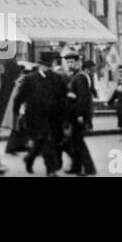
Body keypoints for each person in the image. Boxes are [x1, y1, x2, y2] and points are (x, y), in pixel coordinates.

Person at [21, 53, 66, 176]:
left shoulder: (57, 78)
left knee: (42, 142)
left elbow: (63, 97)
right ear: (39, 65)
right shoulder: (30, 79)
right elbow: (20, 97)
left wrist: (64, 115)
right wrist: (17, 113)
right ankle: (50, 169)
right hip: (35, 118)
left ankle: (29, 159)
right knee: (47, 142)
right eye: (45, 66)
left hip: (53, 117)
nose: (48, 68)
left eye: (49, 66)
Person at [62, 48, 96, 176]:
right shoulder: (74, 77)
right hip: (74, 115)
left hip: (78, 115)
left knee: (78, 142)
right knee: (75, 142)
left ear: (78, 62)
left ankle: (89, 168)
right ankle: (76, 167)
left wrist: (81, 115)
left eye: (72, 62)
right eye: (68, 62)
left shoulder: (80, 77)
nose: (70, 64)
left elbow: (83, 98)